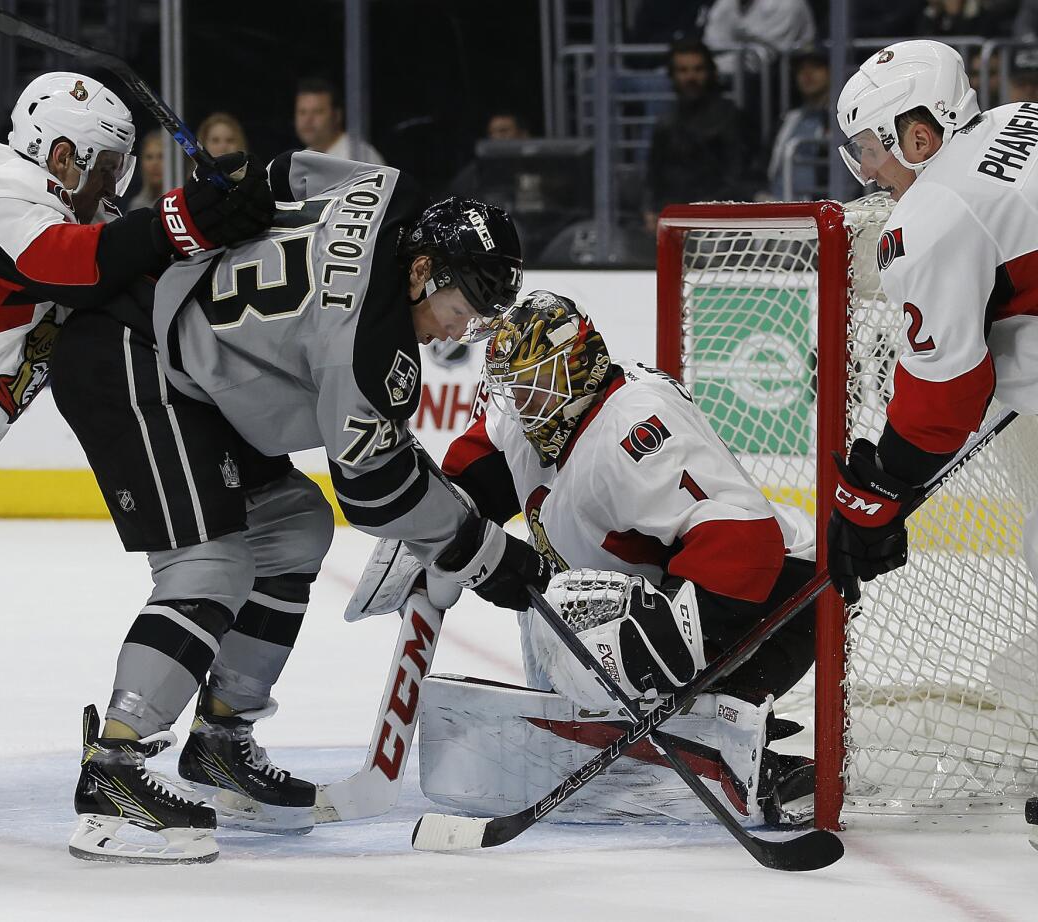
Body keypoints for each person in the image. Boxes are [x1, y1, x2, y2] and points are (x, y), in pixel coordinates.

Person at [50, 150, 546, 863]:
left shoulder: (385, 189)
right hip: (133, 352)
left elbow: (276, 173)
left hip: (190, 358)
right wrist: (480, 549)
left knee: (292, 526)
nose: (451, 335)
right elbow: (375, 490)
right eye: (459, 312)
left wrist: (232, 186)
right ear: (420, 273)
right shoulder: (371, 348)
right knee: (212, 562)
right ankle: (114, 770)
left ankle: (221, 739)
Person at [0, 71, 273, 664]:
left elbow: (127, 261)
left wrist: (228, 216)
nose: (114, 187)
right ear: (64, 157)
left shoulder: (48, 209)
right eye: (108, 169)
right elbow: (76, 265)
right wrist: (185, 216)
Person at [439, 290, 818, 823]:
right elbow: (479, 462)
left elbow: (745, 544)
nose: (520, 401)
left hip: (776, 595)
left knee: (591, 618)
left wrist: (667, 655)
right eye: (512, 388)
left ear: (577, 369)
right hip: (679, 583)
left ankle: (717, 734)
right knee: (555, 598)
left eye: (533, 385)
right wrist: (432, 519)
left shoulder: (633, 429)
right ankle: (682, 722)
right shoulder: (538, 414)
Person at [827, 40, 1038, 607]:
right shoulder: (1018, 117)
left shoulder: (931, 220)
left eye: (871, 148)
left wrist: (879, 493)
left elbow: (946, 392)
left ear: (917, 138)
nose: (867, 172)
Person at [644, 40, 750, 233]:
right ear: (672, 75)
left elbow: (738, 177)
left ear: (710, 73)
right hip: (671, 218)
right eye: (683, 70)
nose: (690, 77)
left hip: (717, 222)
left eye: (698, 69)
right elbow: (653, 175)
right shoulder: (666, 122)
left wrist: (706, 210)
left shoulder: (729, 117)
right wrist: (650, 209)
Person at [767, 48, 831, 200]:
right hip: (778, 206)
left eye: (816, 67)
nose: (807, 74)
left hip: (820, 210)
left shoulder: (842, 120)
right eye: (801, 69)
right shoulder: (787, 119)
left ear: (832, 71)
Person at [294, 77, 386, 164]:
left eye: (318, 112)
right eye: (302, 112)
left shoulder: (359, 157)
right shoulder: (301, 160)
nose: (308, 120)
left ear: (337, 115)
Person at [124, 130, 164, 212]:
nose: (155, 163)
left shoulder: (182, 201)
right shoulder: (137, 206)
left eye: (161, 156)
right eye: (149, 157)